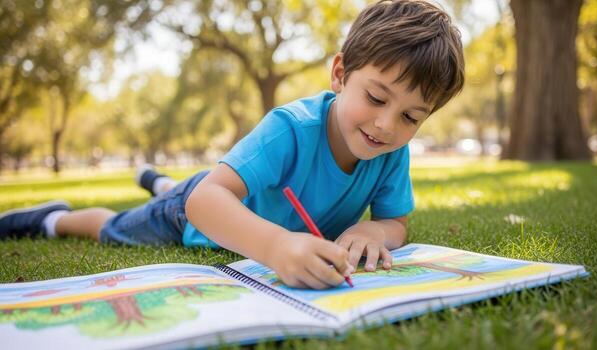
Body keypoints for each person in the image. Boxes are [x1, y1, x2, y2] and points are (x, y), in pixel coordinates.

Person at [0, 0, 464, 289]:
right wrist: (278, 246)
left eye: (410, 116)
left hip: (220, 198)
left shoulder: (391, 152)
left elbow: (395, 221)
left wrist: (375, 232)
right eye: (376, 97)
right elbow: (206, 201)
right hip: (189, 214)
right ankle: (53, 218)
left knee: (186, 187)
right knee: (114, 227)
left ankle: (159, 182)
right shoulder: (291, 128)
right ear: (340, 74)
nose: (386, 125)